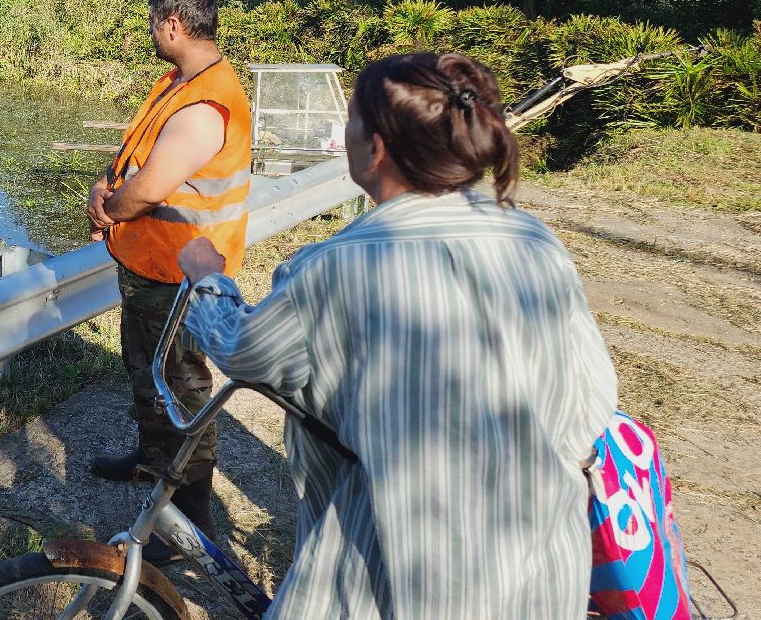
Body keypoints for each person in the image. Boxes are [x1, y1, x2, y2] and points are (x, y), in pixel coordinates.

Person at [178, 52, 618, 620]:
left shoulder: (335, 267)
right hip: (542, 559)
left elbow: (245, 352)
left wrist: (210, 281)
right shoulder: (534, 240)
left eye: (352, 119)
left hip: (397, 568)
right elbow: (591, 397)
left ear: (376, 147)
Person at [85, 0, 252, 558]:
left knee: (180, 389)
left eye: (155, 24)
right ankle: (151, 460)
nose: (152, 33)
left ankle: (188, 521)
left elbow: (151, 187)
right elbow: (135, 155)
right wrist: (103, 184)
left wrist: (109, 212)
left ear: (173, 26)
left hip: (179, 275)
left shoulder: (207, 104)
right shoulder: (179, 82)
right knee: (147, 375)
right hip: (152, 266)